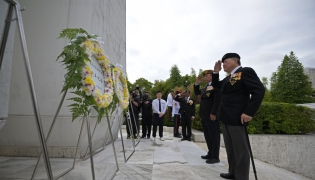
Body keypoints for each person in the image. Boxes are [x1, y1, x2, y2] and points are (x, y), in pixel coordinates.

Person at [212, 53, 265, 180]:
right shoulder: (229, 77)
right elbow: (217, 86)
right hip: (226, 117)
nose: (223, 64)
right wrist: (215, 72)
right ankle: (233, 172)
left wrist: (249, 112)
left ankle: (241, 176)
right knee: (230, 149)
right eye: (223, 62)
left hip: (237, 117)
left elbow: (259, 91)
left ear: (235, 60)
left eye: (226, 61)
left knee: (240, 150)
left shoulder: (245, 71)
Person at [194, 70, 221, 164]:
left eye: (207, 76)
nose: (205, 77)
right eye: (205, 76)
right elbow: (198, 93)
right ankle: (210, 153)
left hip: (211, 115)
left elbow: (217, 100)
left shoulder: (215, 85)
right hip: (204, 115)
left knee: (214, 136)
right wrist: (197, 84)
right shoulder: (206, 86)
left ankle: (215, 156)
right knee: (208, 136)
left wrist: (214, 113)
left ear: (212, 77)